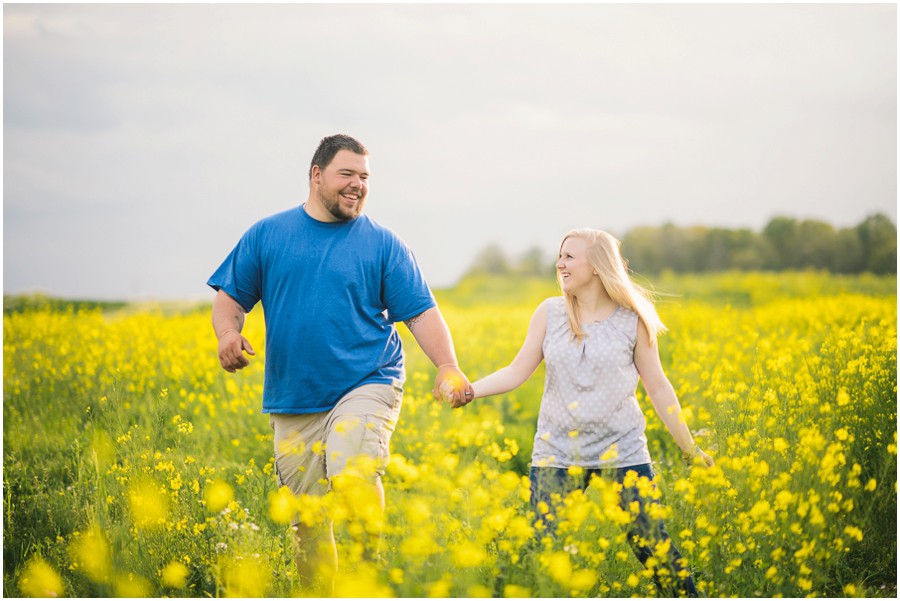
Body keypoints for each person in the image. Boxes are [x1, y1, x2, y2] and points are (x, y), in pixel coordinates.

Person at [208, 134, 473, 594]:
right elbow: (231, 299)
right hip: (295, 396)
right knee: (306, 519)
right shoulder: (268, 235)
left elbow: (421, 312)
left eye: (365, 177)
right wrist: (229, 334)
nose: (358, 185)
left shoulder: (383, 244)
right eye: (347, 174)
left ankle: (370, 572)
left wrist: (447, 365)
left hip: (368, 380)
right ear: (316, 175)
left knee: (353, 472)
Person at [458, 228, 713, 597]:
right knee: (536, 548)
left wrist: (689, 447)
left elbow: (657, 386)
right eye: (559, 256)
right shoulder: (550, 312)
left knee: (653, 548)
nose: (560, 263)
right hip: (557, 451)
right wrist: (471, 390)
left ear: (597, 266)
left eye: (570, 256)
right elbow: (517, 370)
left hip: (621, 450)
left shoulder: (632, 319)